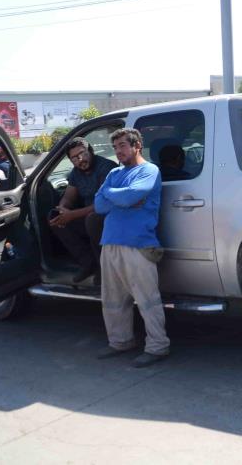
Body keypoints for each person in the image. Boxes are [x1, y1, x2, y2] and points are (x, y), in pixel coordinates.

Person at [94, 128, 169, 368]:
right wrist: (118, 195)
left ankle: (158, 347)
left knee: (147, 300)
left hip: (138, 245)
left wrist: (113, 195)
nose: (118, 152)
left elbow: (127, 198)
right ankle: (120, 342)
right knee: (113, 299)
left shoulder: (149, 171)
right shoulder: (114, 173)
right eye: (115, 147)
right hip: (110, 243)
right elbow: (98, 205)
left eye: (123, 146)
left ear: (137, 146)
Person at [48, 137, 116, 284]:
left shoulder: (106, 168)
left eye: (82, 153)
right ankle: (88, 263)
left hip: (108, 217)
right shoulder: (76, 172)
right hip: (87, 216)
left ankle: (103, 268)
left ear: (90, 151)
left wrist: (71, 215)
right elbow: (69, 196)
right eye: (74, 158)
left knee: (93, 220)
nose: (80, 159)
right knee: (54, 218)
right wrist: (62, 209)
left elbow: (104, 204)